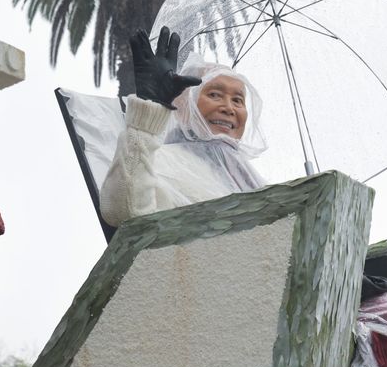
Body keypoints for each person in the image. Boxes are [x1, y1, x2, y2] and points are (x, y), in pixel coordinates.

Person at [100, 27, 267, 227]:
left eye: (238, 100)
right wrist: (147, 114)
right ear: (183, 107)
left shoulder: (252, 180)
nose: (229, 108)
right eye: (214, 94)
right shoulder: (158, 159)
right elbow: (121, 212)